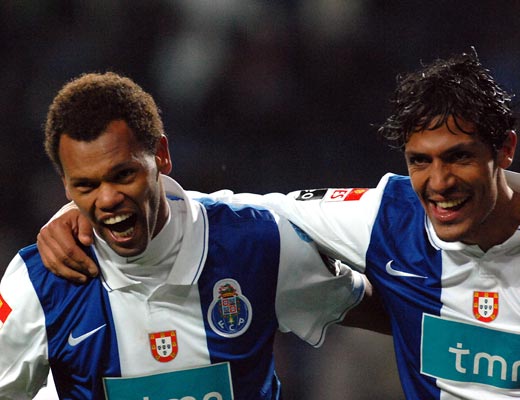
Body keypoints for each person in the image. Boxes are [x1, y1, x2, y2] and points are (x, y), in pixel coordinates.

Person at [38, 50, 520, 399]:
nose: (439, 183)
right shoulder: (383, 220)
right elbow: (234, 213)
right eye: (420, 161)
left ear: (505, 151)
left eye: (459, 158)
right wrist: (95, 208)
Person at [0, 72, 381, 399]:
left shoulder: (258, 244)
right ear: (66, 185)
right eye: (86, 185)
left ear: (161, 155)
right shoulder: (38, 283)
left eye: (124, 174)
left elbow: (385, 309)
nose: (108, 199)